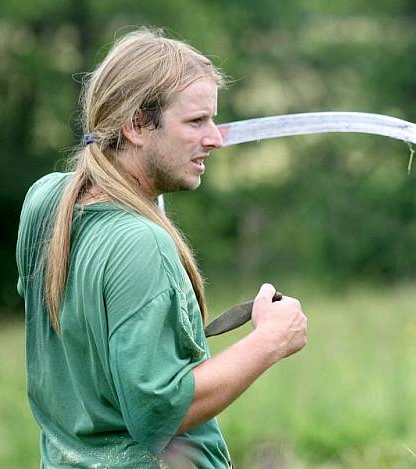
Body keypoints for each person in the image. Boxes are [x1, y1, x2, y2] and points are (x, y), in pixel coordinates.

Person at [15, 28, 308, 468]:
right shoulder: (141, 243)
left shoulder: (47, 199)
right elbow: (160, 412)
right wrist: (270, 340)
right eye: (195, 122)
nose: (216, 138)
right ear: (136, 125)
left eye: (212, 120)